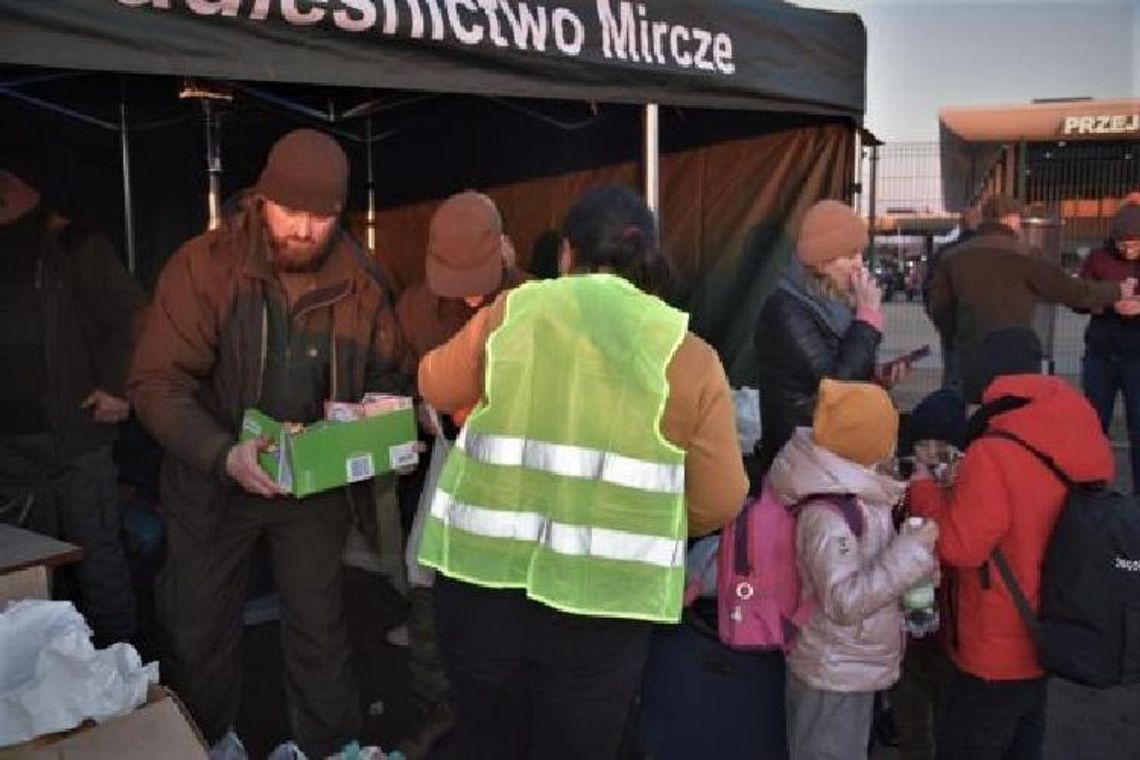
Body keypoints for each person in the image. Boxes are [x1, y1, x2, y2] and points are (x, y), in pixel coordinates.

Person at [415, 184, 747, 759]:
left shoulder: (513, 312)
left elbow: (435, 383)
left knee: (487, 746)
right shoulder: (689, 355)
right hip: (602, 609)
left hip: (480, 588)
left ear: (566, 253)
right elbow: (720, 500)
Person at [128, 129, 411, 759]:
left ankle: (330, 748)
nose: (306, 230)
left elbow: (390, 374)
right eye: (292, 212)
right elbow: (156, 382)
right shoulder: (205, 267)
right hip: (212, 479)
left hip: (310, 484)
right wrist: (221, 452)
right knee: (197, 627)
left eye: (323, 215)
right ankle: (198, 745)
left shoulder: (362, 280)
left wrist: (381, 413)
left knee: (320, 627)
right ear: (262, 199)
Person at [908, 327, 1114, 760]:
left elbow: (960, 546)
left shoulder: (995, 452)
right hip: (1053, 624)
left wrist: (924, 488)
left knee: (970, 743)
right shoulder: (1075, 428)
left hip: (997, 641)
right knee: (1025, 738)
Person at [392, 190, 529, 759]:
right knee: (424, 577)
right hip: (450, 460)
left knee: (505, 603)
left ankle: (502, 722)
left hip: (519, 476)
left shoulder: (536, 302)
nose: (470, 293)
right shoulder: (417, 308)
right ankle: (440, 712)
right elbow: (400, 375)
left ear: (503, 250)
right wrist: (417, 407)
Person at [0, 168, 145, 648]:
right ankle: (43, 681)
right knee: (26, 577)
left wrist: (117, 387)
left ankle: (122, 679)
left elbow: (134, 314)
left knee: (98, 560)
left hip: (77, 440)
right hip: (11, 452)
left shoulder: (74, 244)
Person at [769, 379, 938, 760]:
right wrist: (908, 556)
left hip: (850, 663)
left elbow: (871, 571)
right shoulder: (827, 516)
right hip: (832, 670)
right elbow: (844, 601)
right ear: (869, 445)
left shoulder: (861, 494)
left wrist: (915, 568)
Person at [753, 200, 895, 479]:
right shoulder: (786, 310)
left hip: (830, 451)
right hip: (800, 457)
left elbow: (845, 371)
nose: (859, 265)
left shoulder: (834, 303)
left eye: (860, 255)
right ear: (821, 260)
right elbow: (834, 387)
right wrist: (866, 321)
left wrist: (878, 378)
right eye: (849, 255)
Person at [926, 194, 1134, 382]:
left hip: (968, 354)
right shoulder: (1027, 255)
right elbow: (1074, 292)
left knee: (969, 413)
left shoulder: (953, 257)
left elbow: (939, 307)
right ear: (1011, 218)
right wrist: (1117, 290)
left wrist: (957, 335)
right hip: (1014, 356)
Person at [893, 388, 967, 760]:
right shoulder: (901, 485)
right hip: (904, 622)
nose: (932, 459)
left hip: (949, 623)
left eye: (943, 450)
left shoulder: (963, 489)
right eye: (924, 447)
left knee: (947, 709)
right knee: (910, 712)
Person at [1079, 200, 1140, 492]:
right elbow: (1080, 297)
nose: (1128, 249)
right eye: (1123, 243)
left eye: (1134, 243)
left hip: (1137, 357)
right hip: (1100, 355)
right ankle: (1092, 489)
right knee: (1092, 425)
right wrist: (1107, 302)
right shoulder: (1098, 258)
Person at [923, 206, 981, 388]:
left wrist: (942, 322)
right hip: (986, 326)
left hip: (954, 326)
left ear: (961, 224)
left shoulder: (945, 253)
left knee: (953, 381)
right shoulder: (991, 253)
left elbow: (929, 290)